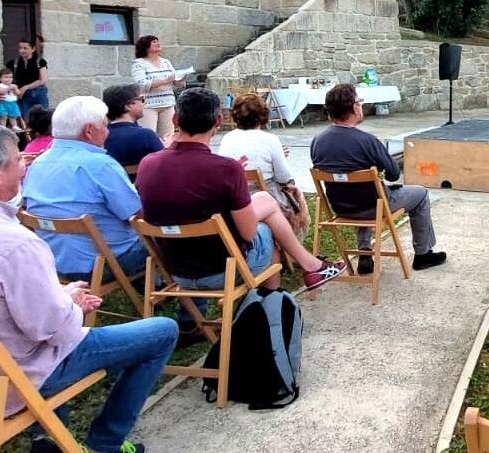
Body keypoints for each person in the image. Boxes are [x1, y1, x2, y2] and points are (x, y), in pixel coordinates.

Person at [0, 124, 177, 453]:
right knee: (162, 331)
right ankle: (106, 445)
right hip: (13, 378)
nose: (24, 165)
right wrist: (71, 303)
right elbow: (53, 330)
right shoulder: (14, 244)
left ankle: (47, 439)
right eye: (17, 160)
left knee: (28, 334)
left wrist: (61, 297)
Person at [137, 88, 345, 343]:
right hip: (223, 270)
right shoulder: (226, 169)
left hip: (176, 271)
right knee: (267, 233)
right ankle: (272, 315)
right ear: (217, 122)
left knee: (263, 203)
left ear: (175, 120)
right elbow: (247, 233)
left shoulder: (148, 164)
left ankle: (304, 273)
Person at [311, 83, 447, 274]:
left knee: (363, 190)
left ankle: (365, 252)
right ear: (353, 107)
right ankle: (423, 254)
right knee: (420, 194)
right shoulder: (367, 141)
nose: (361, 105)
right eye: (359, 101)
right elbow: (393, 174)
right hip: (372, 207)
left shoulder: (318, 141)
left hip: (340, 207)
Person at [22, 96, 147, 281]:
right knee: (161, 235)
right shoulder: (100, 165)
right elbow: (138, 214)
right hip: (103, 263)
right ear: (89, 130)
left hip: (52, 262)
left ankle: (151, 287)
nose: (107, 132)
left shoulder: (37, 163)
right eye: (105, 126)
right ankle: (162, 290)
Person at [217, 93, 309, 236]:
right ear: (262, 116)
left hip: (234, 197)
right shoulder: (270, 139)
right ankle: (292, 242)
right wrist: (279, 160)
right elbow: (284, 177)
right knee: (294, 194)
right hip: (265, 194)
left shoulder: (227, 138)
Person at [131, 35, 183, 139]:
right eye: (154, 42)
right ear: (145, 46)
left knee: (167, 138)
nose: (158, 44)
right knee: (148, 137)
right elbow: (141, 83)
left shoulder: (166, 62)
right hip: (148, 105)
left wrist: (180, 80)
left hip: (168, 103)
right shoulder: (139, 63)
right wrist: (165, 81)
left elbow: (176, 83)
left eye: (158, 41)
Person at [103, 83, 165, 167]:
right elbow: (166, 163)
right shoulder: (146, 136)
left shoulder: (101, 136)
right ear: (128, 106)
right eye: (141, 99)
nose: (144, 103)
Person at [6, 36, 49, 115]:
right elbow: (6, 79)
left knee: (43, 118)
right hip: (23, 96)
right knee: (25, 119)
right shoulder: (13, 63)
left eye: (25, 48)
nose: (21, 50)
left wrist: (26, 87)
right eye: (20, 48)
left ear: (33, 49)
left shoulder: (40, 62)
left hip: (39, 93)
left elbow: (42, 80)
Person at [0, 68, 26, 133]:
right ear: (0, 79)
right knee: (3, 116)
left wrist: (16, 89)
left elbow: (19, 93)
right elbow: (1, 91)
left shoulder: (13, 85)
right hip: (3, 103)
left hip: (13, 103)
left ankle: (14, 126)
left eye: (10, 77)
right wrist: (9, 88)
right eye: (6, 77)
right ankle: (3, 127)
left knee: (13, 116)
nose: (9, 79)